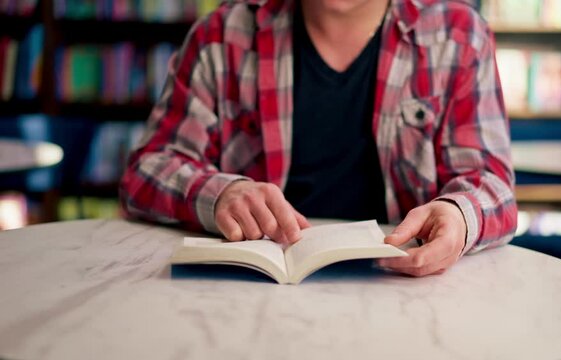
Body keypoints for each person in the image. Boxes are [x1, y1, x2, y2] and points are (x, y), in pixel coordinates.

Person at [120, 0, 517, 277]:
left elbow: (491, 182)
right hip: (247, 289)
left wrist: (458, 215)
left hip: (404, 285)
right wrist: (221, 194)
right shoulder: (221, 35)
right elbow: (147, 170)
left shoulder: (460, 36)